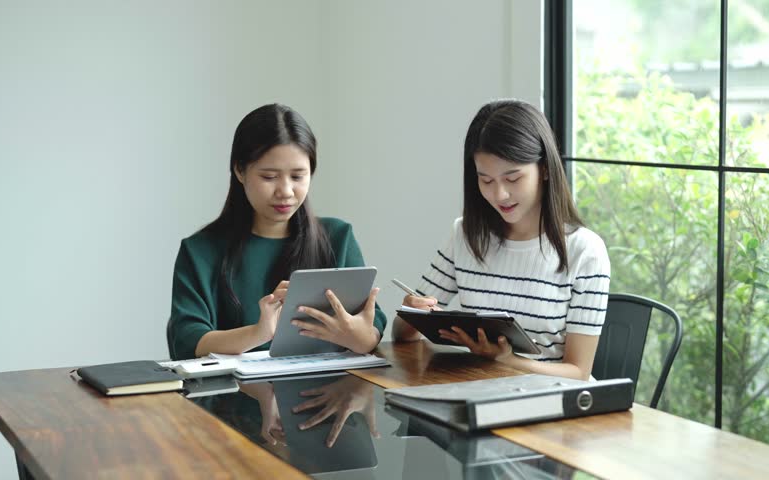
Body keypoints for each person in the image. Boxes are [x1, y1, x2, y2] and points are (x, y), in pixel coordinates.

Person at [392, 99, 610, 380]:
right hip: (483, 394)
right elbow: (402, 336)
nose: (500, 195)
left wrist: (508, 360)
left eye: (513, 178)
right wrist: (413, 313)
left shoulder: (585, 251)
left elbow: (578, 372)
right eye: (486, 180)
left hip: (555, 406)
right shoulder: (466, 235)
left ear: (544, 169)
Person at [169, 103, 386, 360]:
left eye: (297, 176)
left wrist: (360, 338)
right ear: (240, 171)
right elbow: (187, 338)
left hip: (328, 393)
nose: (285, 191)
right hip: (231, 396)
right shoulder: (200, 251)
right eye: (269, 177)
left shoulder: (338, 237)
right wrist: (260, 333)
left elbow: (372, 324)